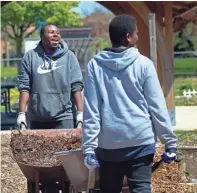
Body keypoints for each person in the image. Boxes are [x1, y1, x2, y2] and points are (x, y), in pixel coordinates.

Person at [82, 15, 177, 193]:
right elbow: (157, 106)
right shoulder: (144, 64)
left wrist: (88, 148)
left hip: (109, 145)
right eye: (136, 33)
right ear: (128, 37)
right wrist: (169, 142)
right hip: (140, 141)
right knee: (141, 189)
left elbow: (92, 109)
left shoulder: (95, 65)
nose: (138, 37)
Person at [17, 24, 83, 129]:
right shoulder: (30, 57)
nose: (56, 35)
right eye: (51, 32)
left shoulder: (69, 56)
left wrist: (80, 112)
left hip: (65, 116)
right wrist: (21, 114)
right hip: (37, 118)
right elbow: (24, 86)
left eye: (58, 33)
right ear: (42, 36)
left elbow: (76, 85)